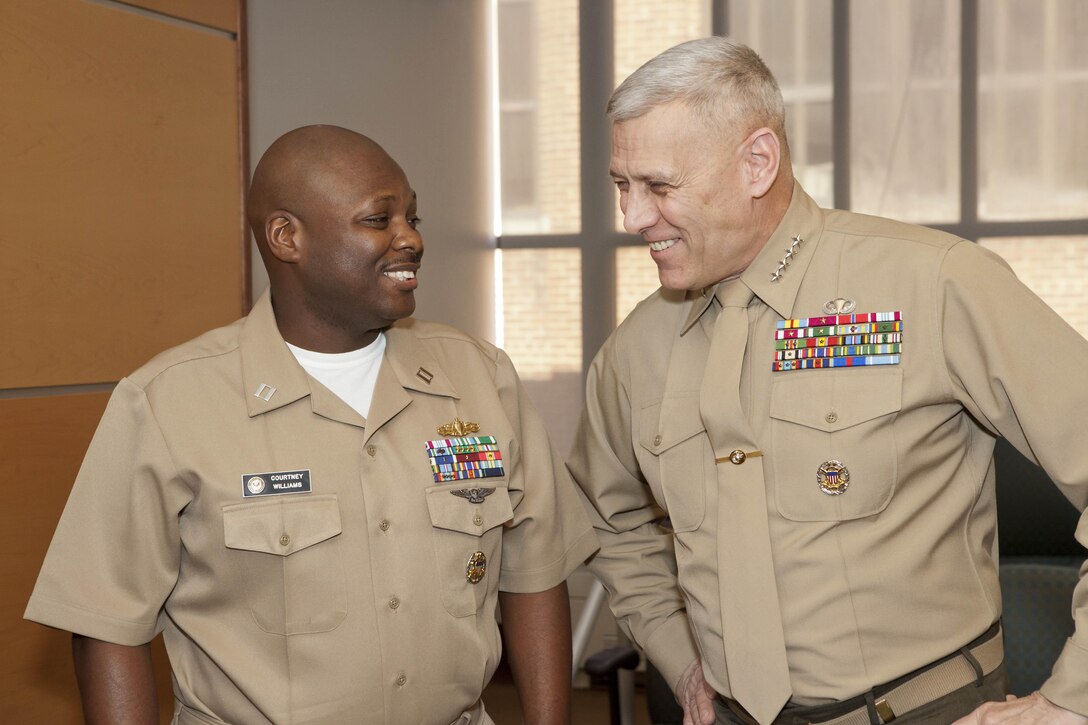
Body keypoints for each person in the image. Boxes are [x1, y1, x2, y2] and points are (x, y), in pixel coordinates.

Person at [567, 37, 1088, 725]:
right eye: (621, 186)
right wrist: (680, 656)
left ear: (758, 162)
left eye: (659, 186)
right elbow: (611, 519)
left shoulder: (934, 284)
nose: (632, 217)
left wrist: (1071, 699)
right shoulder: (634, 352)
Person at [25, 125, 598, 725]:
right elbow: (106, 625)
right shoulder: (168, 402)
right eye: (379, 220)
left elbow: (535, 572)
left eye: (413, 217)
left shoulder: (482, 378)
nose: (411, 239)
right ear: (286, 236)